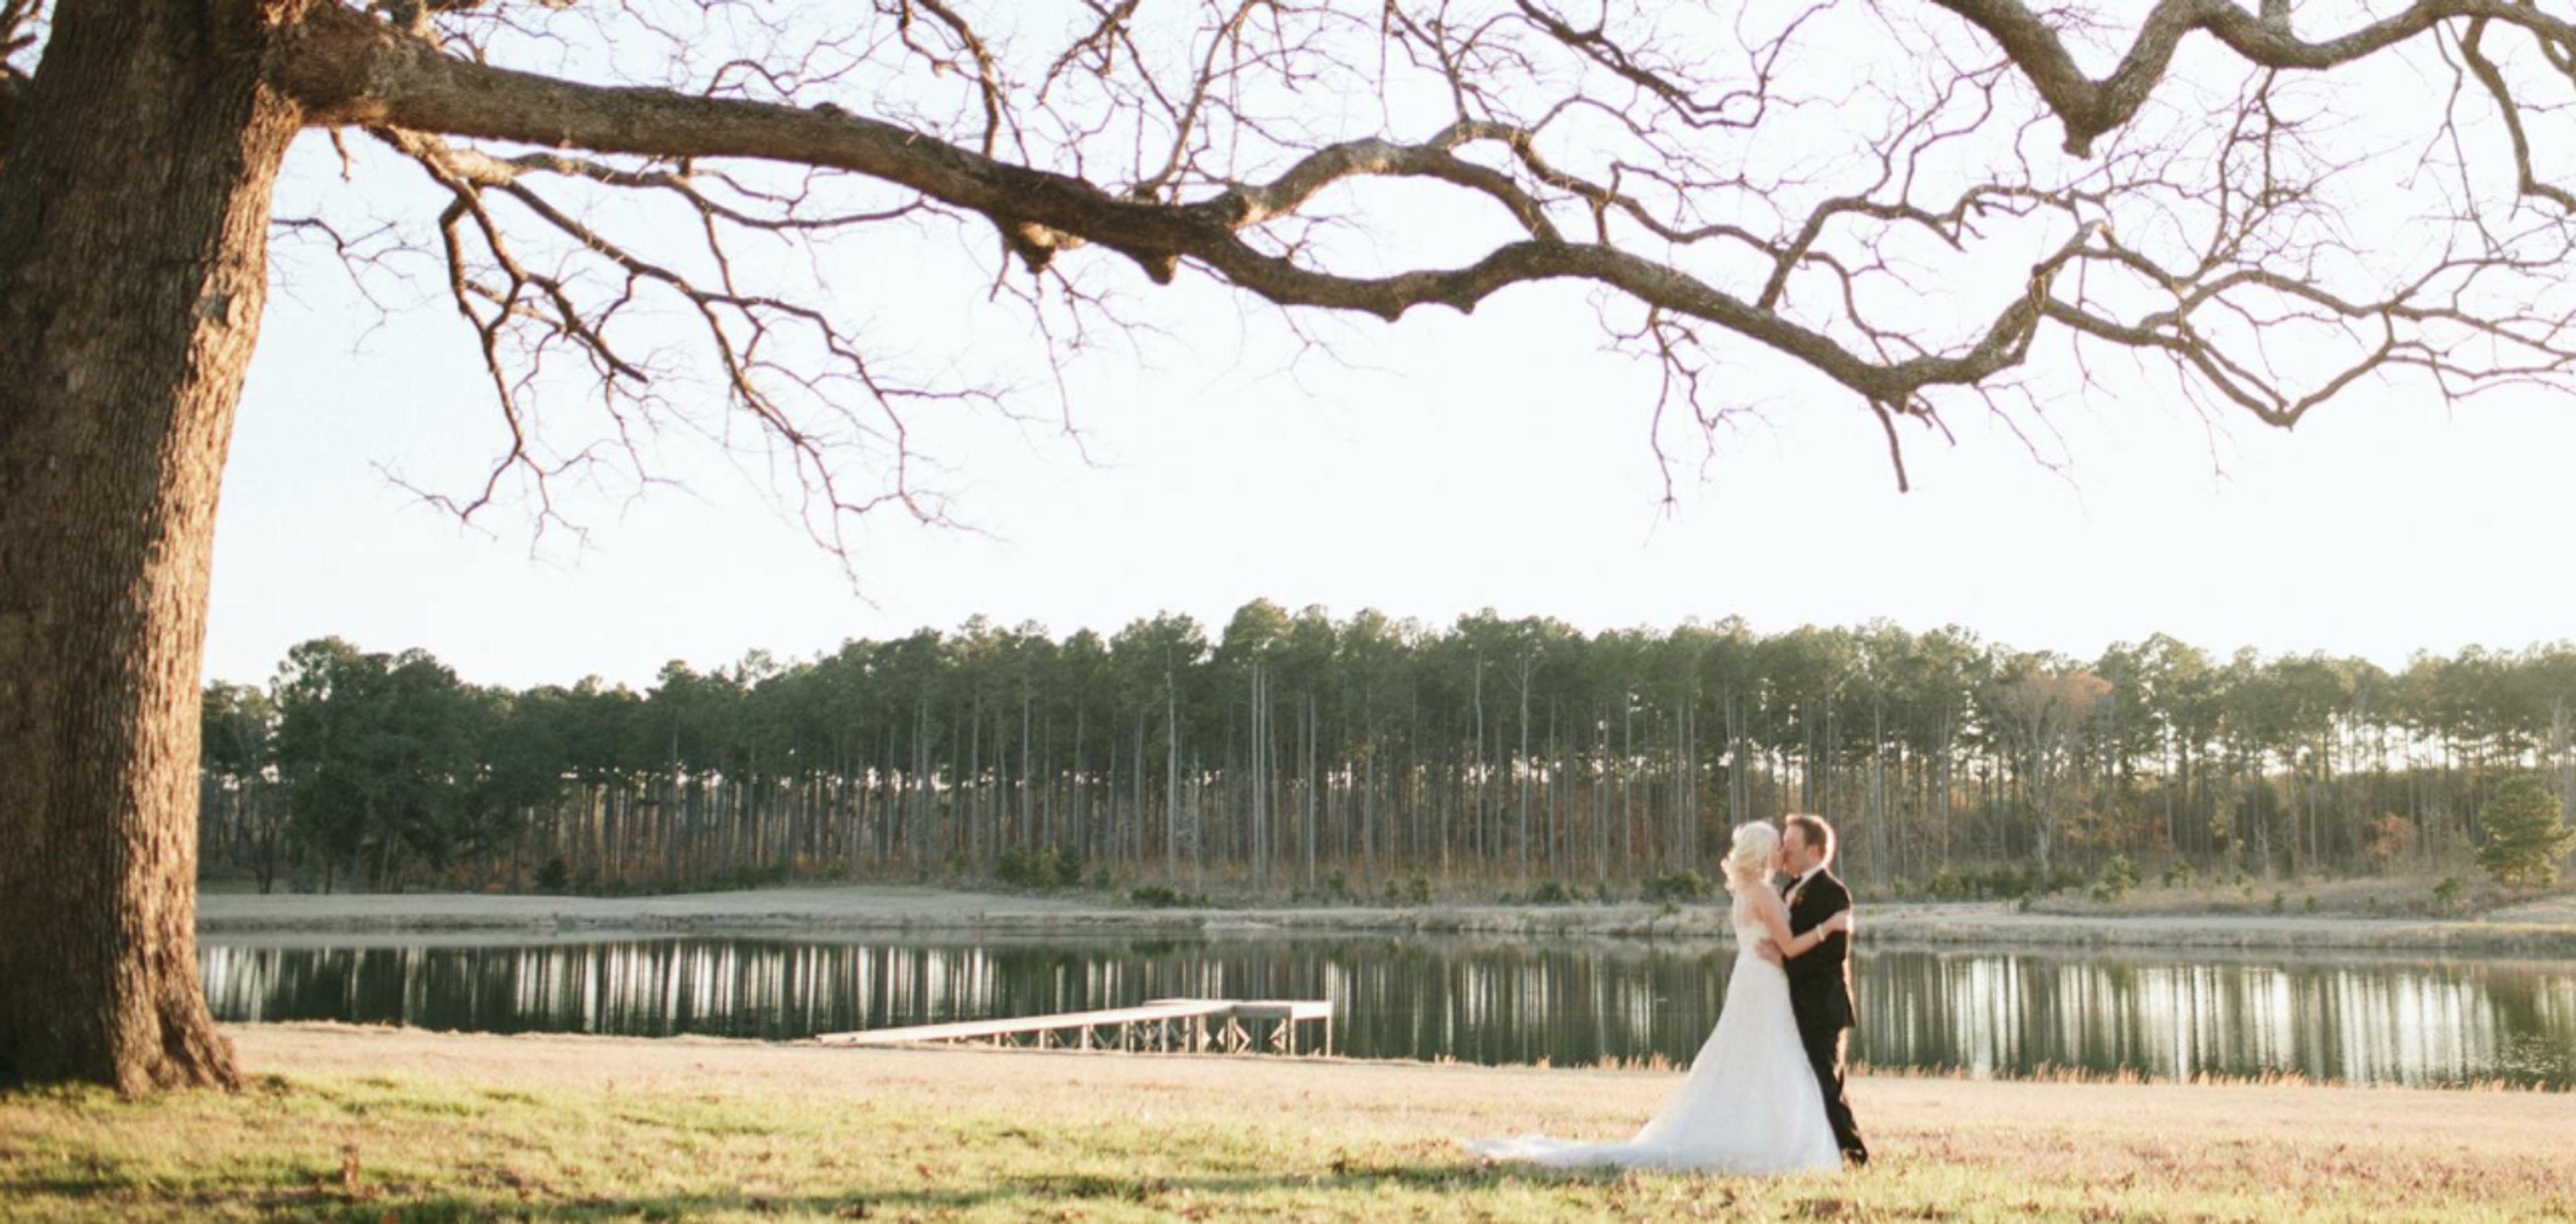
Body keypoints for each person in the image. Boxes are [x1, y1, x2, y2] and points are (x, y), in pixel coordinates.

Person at [1463, 821, 1851, 1173]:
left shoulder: (1747, 892)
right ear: (1764, 853)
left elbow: (1775, 945)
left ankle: (1768, 1129)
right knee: (1768, 1056)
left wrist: (1786, 951)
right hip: (1764, 981)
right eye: (1778, 846)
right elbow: (1789, 945)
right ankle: (1775, 1138)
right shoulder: (1764, 893)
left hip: (1753, 978)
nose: (1783, 851)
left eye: (1786, 845)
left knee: (1753, 1056)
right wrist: (1828, 927)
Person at [1763, 813, 1869, 1166]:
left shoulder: (1833, 893)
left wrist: (1785, 962)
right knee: (1802, 1083)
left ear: (1814, 850)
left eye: (1790, 845)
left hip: (1822, 1005)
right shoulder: (1789, 889)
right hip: (1794, 1004)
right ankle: (1816, 1153)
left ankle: (1854, 1155)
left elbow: (1833, 953)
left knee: (1826, 1082)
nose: (1783, 851)